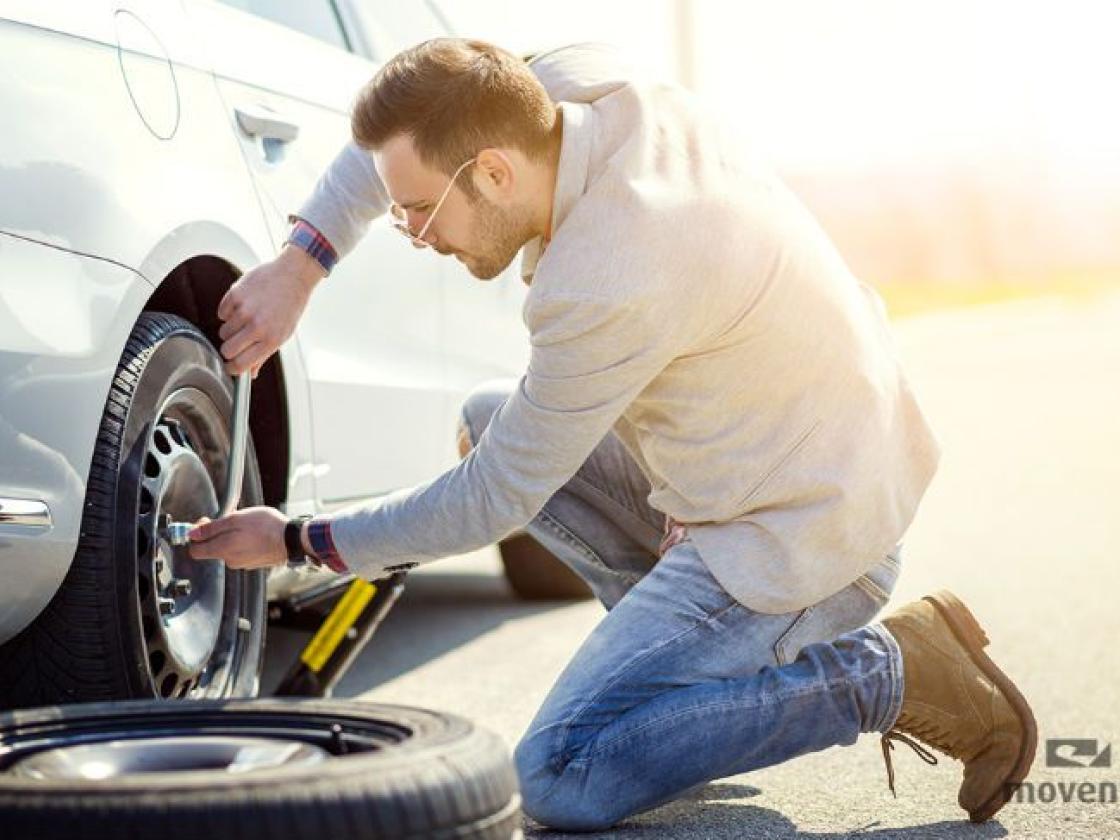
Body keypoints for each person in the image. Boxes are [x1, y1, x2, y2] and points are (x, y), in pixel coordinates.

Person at [187, 39, 1037, 830]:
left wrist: (301, 539)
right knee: (490, 415)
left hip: (808, 534)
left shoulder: (609, 274)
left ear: (493, 172)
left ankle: (888, 670)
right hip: (804, 452)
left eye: (418, 213)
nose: (413, 234)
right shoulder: (568, 94)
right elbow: (401, 147)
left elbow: (493, 499)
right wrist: (300, 264)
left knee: (560, 773)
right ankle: (683, 690)